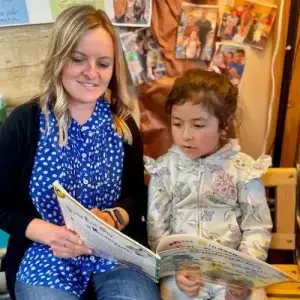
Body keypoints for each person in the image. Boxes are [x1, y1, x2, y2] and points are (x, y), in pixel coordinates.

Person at [0, 5, 161, 300]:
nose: (91, 73)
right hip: (44, 254)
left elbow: (137, 196)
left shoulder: (122, 125)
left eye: (103, 63)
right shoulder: (24, 124)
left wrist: (114, 218)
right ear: (59, 59)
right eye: (78, 60)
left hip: (114, 253)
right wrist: (48, 233)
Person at [145, 69, 272, 299]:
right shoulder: (164, 170)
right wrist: (175, 268)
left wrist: (243, 274)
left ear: (224, 125)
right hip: (184, 273)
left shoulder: (243, 170)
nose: (186, 135)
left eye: (198, 125)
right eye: (177, 123)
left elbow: (257, 227)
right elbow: (157, 231)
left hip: (233, 273)